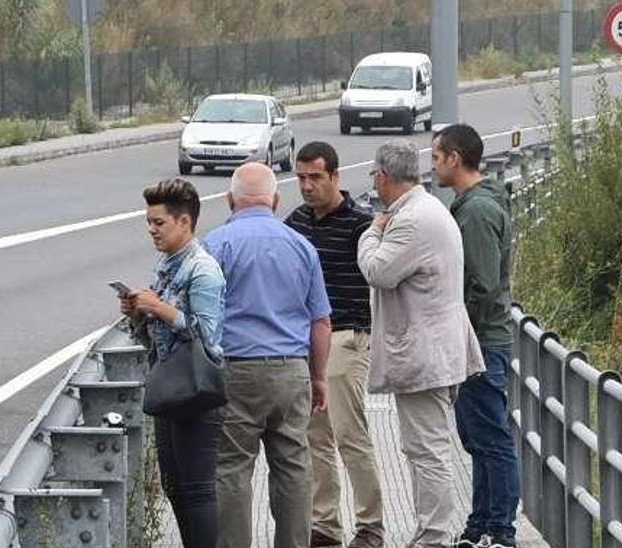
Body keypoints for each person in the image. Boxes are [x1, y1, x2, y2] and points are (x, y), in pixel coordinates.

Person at [356, 140, 484, 548]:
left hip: (424, 352)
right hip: (433, 348)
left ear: (382, 176)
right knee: (423, 448)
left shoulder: (411, 219)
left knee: (427, 451)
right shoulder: (426, 209)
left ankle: (434, 538)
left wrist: (370, 234)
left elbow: (377, 270)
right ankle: (431, 533)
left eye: (374, 175)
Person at [203, 162, 332, 548]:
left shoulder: (216, 244)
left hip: (235, 371)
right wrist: (319, 376)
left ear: (230, 200)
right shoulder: (302, 246)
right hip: (291, 371)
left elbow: (203, 314)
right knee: (293, 467)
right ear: (276, 200)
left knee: (231, 469)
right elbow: (321, 321)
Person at [284, 141, 385, 548]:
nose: (307, 186)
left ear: (335, 177)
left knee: (350, 433)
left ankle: (371, 525)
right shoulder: (295, 223)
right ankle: (324, 526)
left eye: (315, 178)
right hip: (307, 341)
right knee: (315, 437)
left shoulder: (360, 223)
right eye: (301, 178)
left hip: (346, 335)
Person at [121, 178, 227, 548]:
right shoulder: (167, 264)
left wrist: (160, 309)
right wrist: (139, 314)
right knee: (173, 486)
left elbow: (208, 339)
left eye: (159, 222)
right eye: (149, 222)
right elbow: (158, 333)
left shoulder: (203, 270)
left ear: (184, 222)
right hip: (170, 386)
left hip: (197, 393)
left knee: (197, 488)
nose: (151, 229)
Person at [432, 124, 520, 548]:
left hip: (480, 340)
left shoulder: (477, 212)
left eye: (436, 157)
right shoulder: (473, 205)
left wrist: (456, 335)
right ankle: (481, 525)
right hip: (481, 338)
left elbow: (481, 285)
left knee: (491, 436)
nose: (432, 166)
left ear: (454, 157)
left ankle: (500, 529)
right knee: (478, 437)